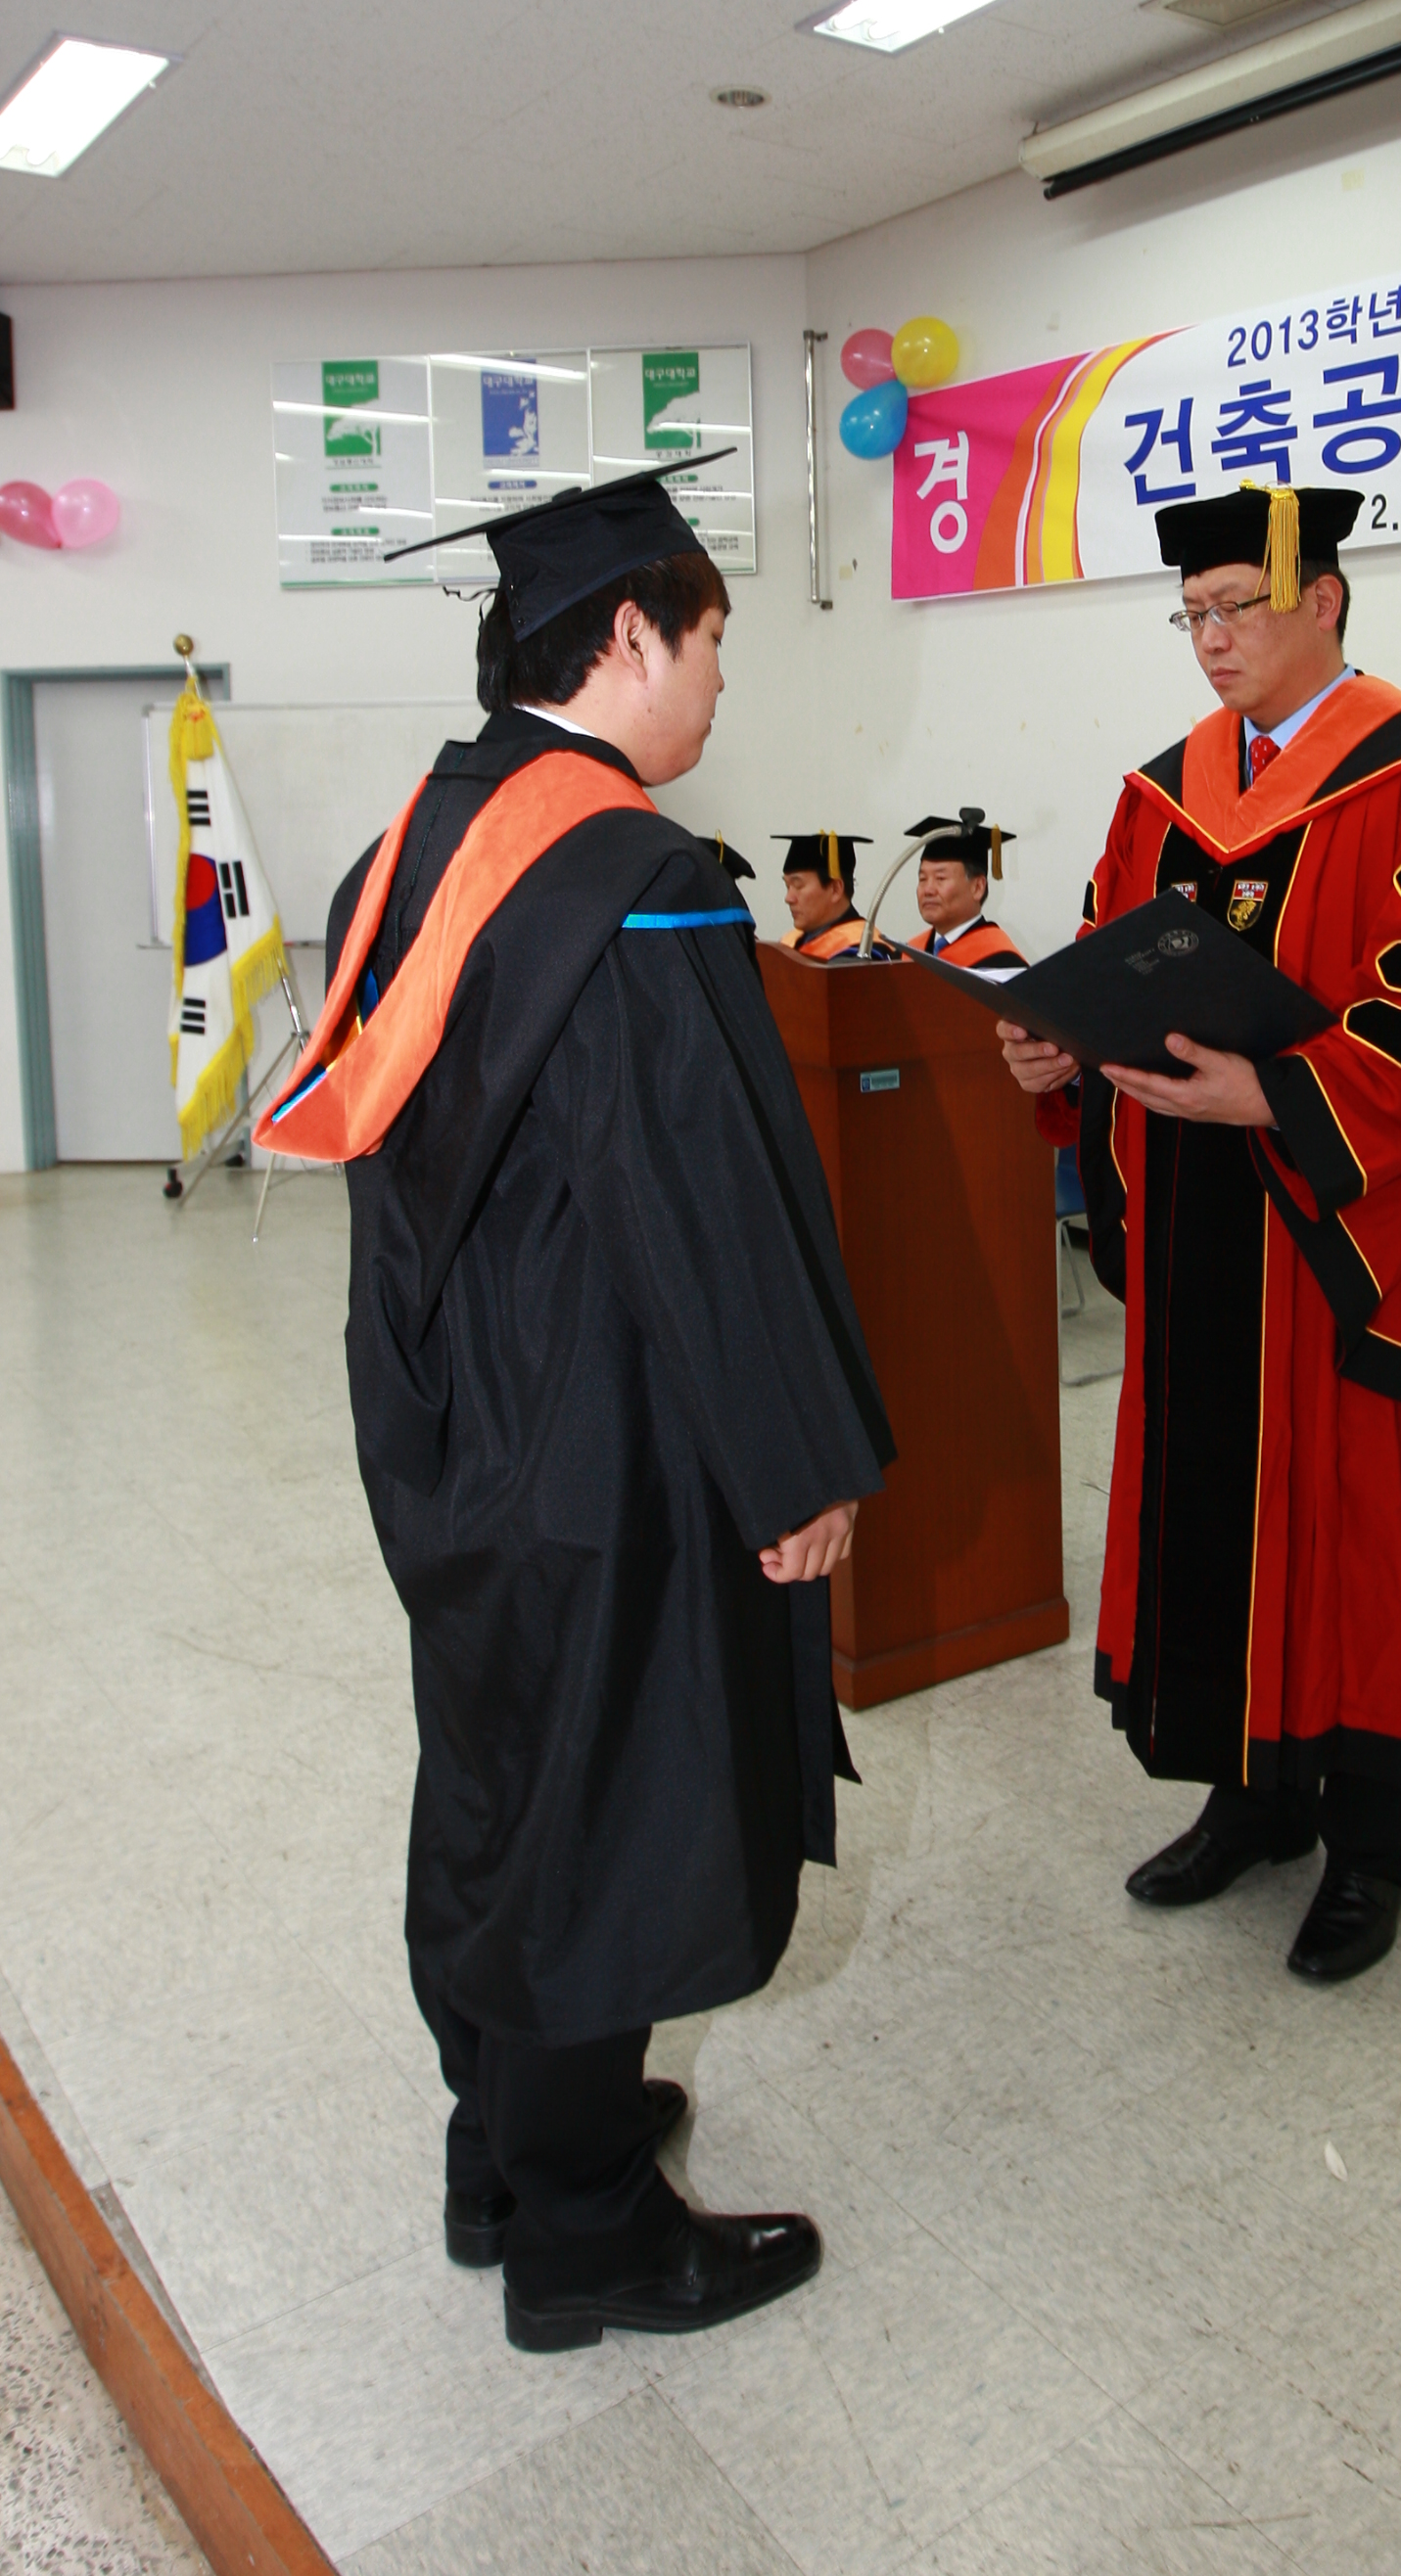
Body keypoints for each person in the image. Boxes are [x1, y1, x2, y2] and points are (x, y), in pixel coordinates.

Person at [257, 465, 893, 2351]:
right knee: (609, 1815)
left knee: (502, 1784)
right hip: (610, 1436)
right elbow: (701, 1204)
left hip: (463, 1424)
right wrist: (793, 1461)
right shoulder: (633, 879)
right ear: (628, 633)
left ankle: (508, 2156)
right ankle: (587, 2238)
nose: (720, 681)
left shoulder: (414, 841)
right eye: (712, 639)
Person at [998, 484, 1401, 1984]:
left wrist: (1276, 1095)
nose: (1211, 639)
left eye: (1237, 606)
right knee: (1213, 1521)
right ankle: (1253, 1798)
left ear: (1325, 599)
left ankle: (1377, 1835)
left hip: (1338, 1241)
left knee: (1351, 1529)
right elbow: (1107, 968)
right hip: (1195, 1232)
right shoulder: (1160, 795)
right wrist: (1056, 1054)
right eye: (1192, 614)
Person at [902, 810, 1027, 970]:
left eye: (941, 878)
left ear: (978, 887)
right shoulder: (908, 954)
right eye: (923, 879)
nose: (928, 890)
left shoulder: (1002, 963)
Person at [774, 832, 870, 958]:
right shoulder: (789, 942)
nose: (788, 898)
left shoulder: (863, 951)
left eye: (798, 886)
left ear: (835, 889)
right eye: (787, 886)